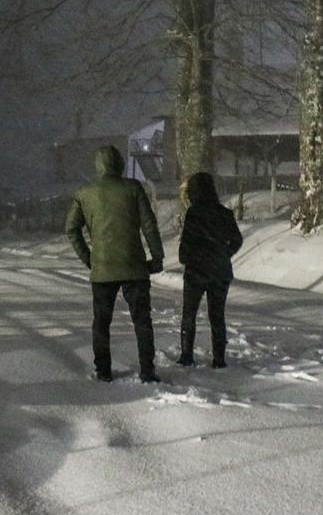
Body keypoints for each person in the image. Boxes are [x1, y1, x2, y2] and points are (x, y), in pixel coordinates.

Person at [65, 145, 165, 383]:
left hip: (103, 268)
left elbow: (71, 228)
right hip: (134, 265)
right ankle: (148, 371)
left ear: (98, 166)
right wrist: (157, 256)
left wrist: (88, 258)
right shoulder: (133, 188)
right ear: (119, 164)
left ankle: (103, 370)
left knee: (102, 322)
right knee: (142, 320)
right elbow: (149, 224)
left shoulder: (85, 193)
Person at [176, 171, 242, 369]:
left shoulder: (194, 214)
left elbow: (187, 243)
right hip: (220, 272)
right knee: (217, 316)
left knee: (189, 314)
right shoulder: (225, 213)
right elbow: (237, 240)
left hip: (196, 271)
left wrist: (186, 257)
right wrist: (224, 254)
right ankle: (219, 359)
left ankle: (187, 356)